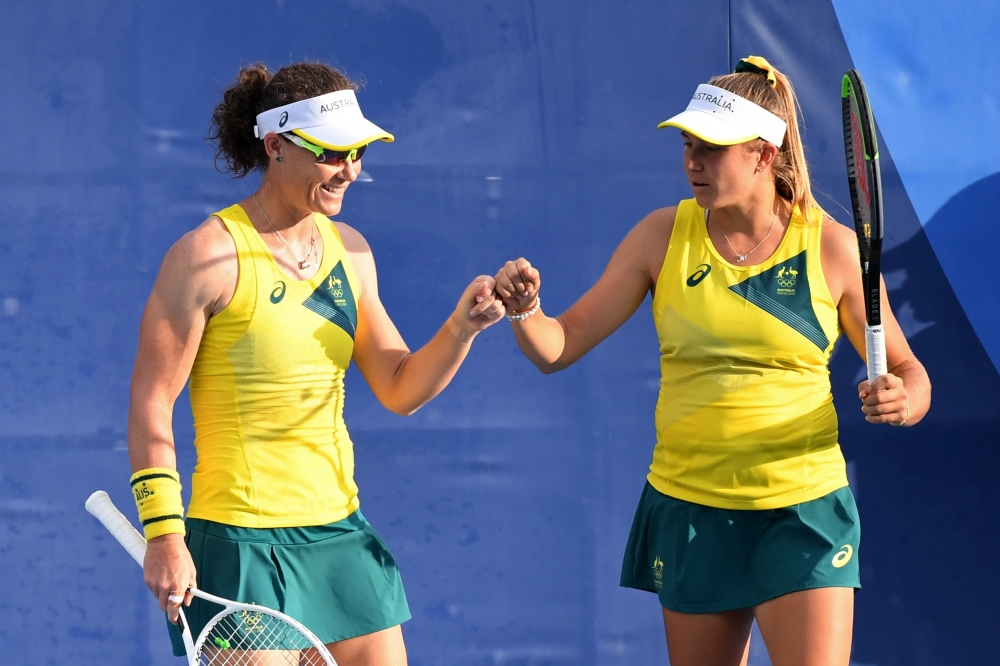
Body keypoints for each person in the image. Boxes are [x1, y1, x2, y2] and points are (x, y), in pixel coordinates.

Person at [492, 56, 931, 666]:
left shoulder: (830, 247)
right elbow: (558, 344)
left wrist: (903, 400)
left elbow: (911, 374)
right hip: (691, 510)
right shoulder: (660, 236)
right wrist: (527, 311)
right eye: (688, 144)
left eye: (712, 147)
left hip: (803, 511)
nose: (691, 161)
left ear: (762, 153)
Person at [127, 61, 505, 665]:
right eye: (332, 153)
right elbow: (152, 402)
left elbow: (400, 387)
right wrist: (164, 533)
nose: (349, 169)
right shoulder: (206, 258)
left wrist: (463, 327)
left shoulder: (350, 252)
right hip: (241, 547)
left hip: (340, 538)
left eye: (357, 152)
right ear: (275, 145)